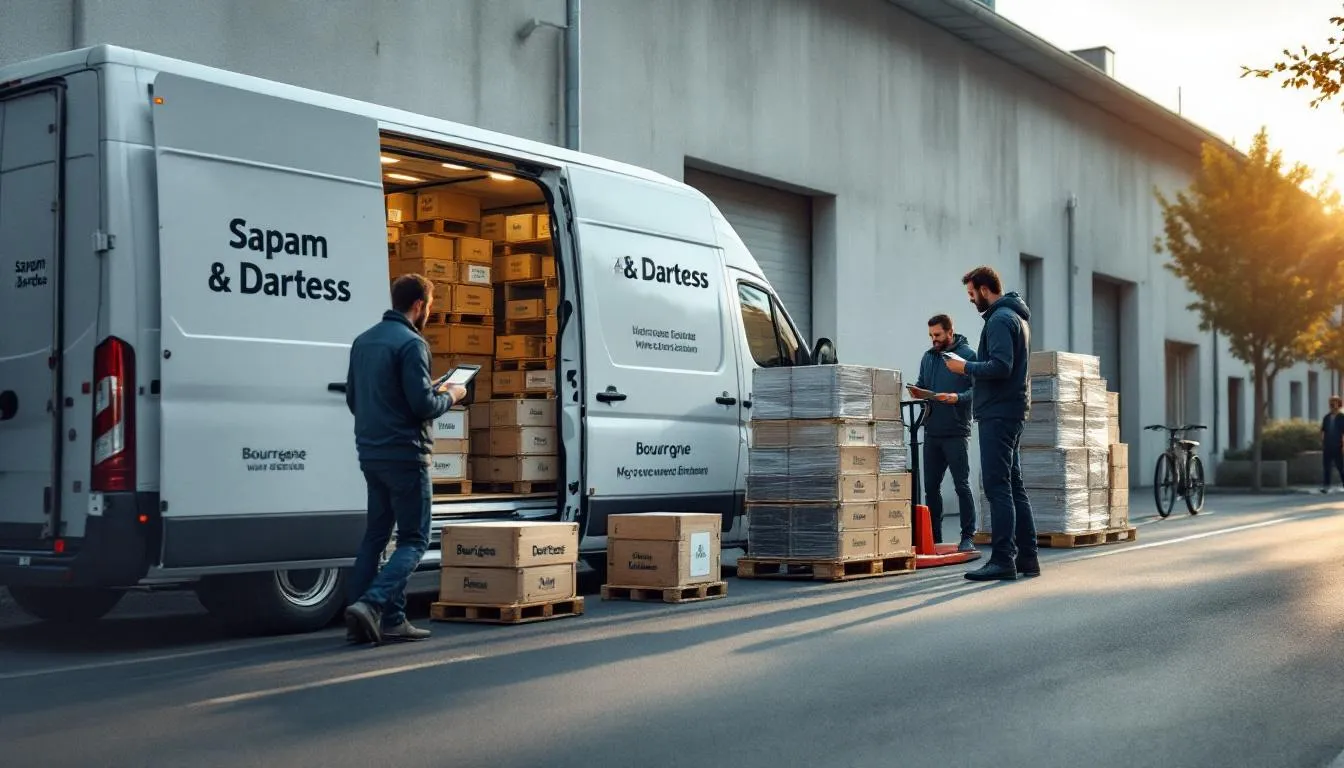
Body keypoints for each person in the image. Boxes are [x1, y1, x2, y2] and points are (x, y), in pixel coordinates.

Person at [343, 274, 467, 644]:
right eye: (429, 305)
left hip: (371, 452)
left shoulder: (363, 341)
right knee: (414, 539)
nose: (428, 311)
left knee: (376, 537)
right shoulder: (412, 344)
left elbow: (355, 398)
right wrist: (452, 395)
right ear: (419, 305)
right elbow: (423, 406)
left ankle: (387, 620)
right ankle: (373, 604)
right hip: (407, 456)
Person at [942, 265, 1036, 582]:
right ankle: (1028, 557)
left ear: (985, 289)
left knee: (997, 488)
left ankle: (1002, 560)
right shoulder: (1016, 318)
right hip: (1012, 410)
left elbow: (1001, 365)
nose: (971, 300)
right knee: (1014, 486)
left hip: (998, 412)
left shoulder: (999, 319)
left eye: (971, 293)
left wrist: (964, 366)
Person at [914, 314, 978, 552]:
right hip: (932, 430)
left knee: (962, 485)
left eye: (938, 335)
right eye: (931, 335)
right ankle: (935, 537)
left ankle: (967, 536)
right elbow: (923, 383)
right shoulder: (928, 357)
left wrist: (957, 398)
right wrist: (918, 392)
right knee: (930, 487)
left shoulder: (969, 357)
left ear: (950, 332)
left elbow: (978, 391)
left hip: (956, 431)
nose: (934, 340)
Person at [1321, 395, 1344, 493]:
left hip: (1338, 445)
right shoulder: (1327, 417)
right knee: (1326, 466)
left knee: (1340, 467)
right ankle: (1326, 486)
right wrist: (1322, 442)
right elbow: (1323, 431)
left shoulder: (1342, 417)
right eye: (1331, 403)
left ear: (1339, 405)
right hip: (1328, 445)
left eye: (1334, 403)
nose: (1332, 405)